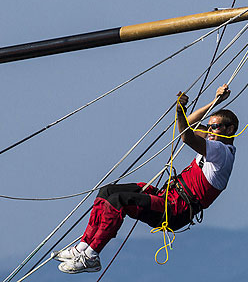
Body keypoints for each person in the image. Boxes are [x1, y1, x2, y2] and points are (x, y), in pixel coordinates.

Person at [53, 84, 238, 274]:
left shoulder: (221, 151)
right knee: (108, 191)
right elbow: (188, 123)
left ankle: (92, 255)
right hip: (168, 197)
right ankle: (82, 247)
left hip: (175, 210)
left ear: (230, 129)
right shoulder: (215, 144)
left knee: (119, 201)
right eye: (210, 126)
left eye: (215, 127)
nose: (211, 130)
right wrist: (214, 102)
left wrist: (180, 111)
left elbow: (185, 136)